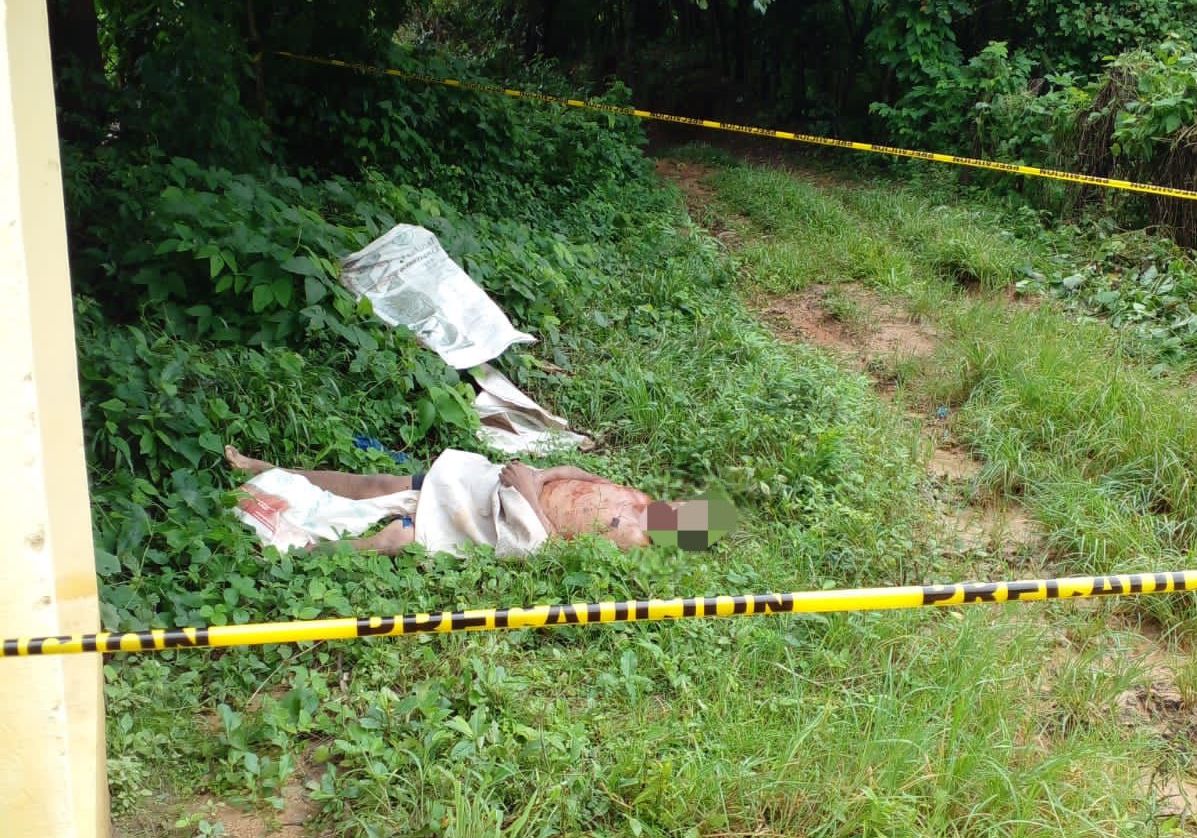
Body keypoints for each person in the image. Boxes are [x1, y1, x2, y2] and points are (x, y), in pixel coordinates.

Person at [225, 445, 654, 555]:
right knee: (379, 483)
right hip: (501, 484)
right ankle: (265, 468)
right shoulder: (639, 497)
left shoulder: (634, 538)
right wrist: (542, 475)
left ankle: (302, 554)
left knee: (394, 541)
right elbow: (584, 476)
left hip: (508, 523)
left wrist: (527, 492)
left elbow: (558, 548)